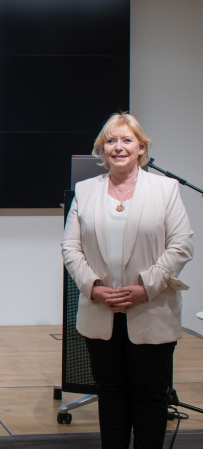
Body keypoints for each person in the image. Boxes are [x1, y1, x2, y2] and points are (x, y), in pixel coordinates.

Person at [62, 112, 193, 448]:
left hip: (152, 311)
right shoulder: (85, 190)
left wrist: (145, 287)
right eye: (110, 140)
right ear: (101, 149)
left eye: (126, 140)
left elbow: (181, 246)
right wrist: (92, 286)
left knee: (151, 399)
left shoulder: (165, 189)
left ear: (141, 147)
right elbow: (70, 247)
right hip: (100, 312)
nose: (118, 147)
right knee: (112, 395)